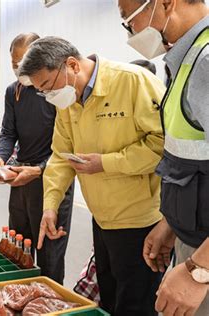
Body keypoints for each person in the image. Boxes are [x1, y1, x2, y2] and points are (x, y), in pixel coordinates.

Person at [19, 36, 166, 315]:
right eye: (42, 92)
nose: (49, 96)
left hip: (140, 223)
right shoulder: (69, 101)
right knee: (108, 300)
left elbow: (163, 145)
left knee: (136, 305)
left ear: (71, 65)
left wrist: (107, 163)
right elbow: (61, 158)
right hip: (102, 220)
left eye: (48, 86)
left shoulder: (132, 82)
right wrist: (50, 206)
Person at [118, 0, 209, 315]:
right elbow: (190, 162)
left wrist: (199, 270)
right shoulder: (186, 61)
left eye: (128, 20)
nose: (130, 32)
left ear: (166, 3)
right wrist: (171, 222)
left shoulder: (206, 62)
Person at [0, 33, 74, 284]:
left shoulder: (57, 91)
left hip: (52, 180)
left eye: (23, 62)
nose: (19, 69)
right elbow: (8, 133)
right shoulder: (14, 91)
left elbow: (68, 144)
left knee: (49, 256)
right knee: (18, 250)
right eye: (14, 64)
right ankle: (20, 298)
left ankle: (49, 304)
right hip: (21, 181)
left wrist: (40, 169)